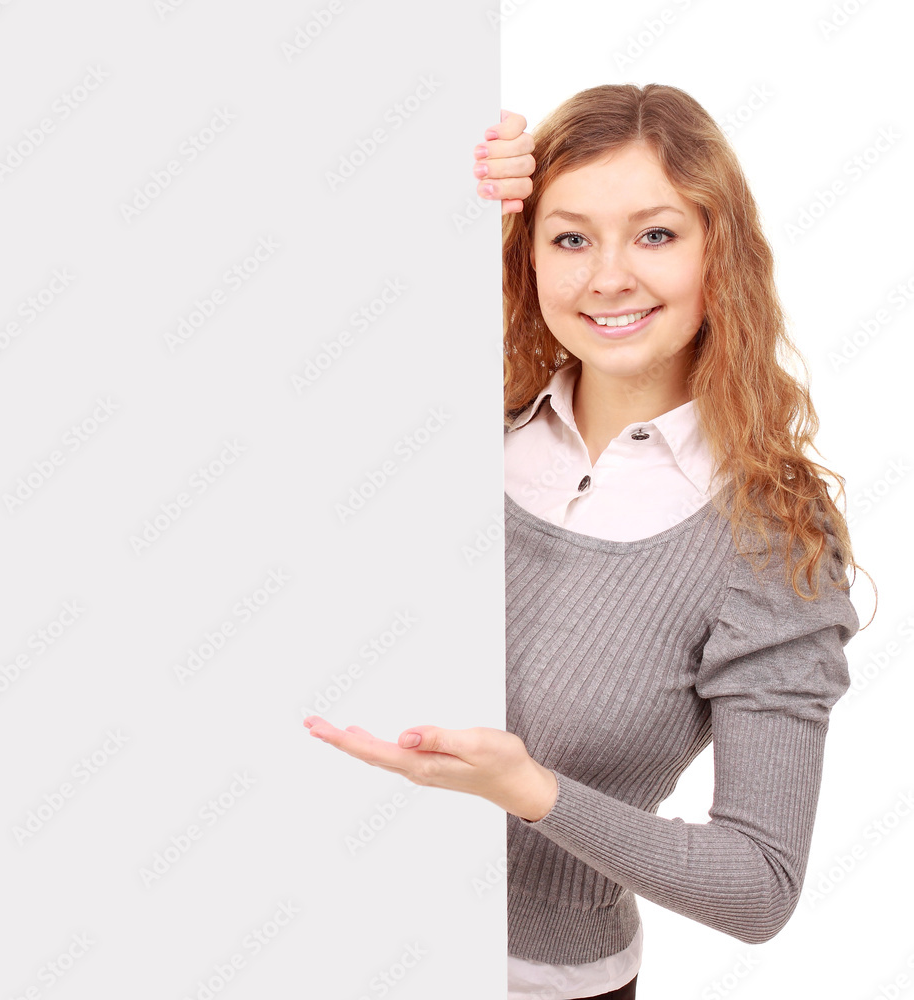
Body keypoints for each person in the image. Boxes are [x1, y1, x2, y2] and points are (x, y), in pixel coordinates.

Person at [304, 83, 875, 1000]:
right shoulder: (446, 432)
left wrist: (532, 792)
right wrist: (418, 171)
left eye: (654, 234)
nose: (607, 276)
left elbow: (758, 886)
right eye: (570, 238)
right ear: (527, 257)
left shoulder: (770, 541)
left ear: (717, 254)